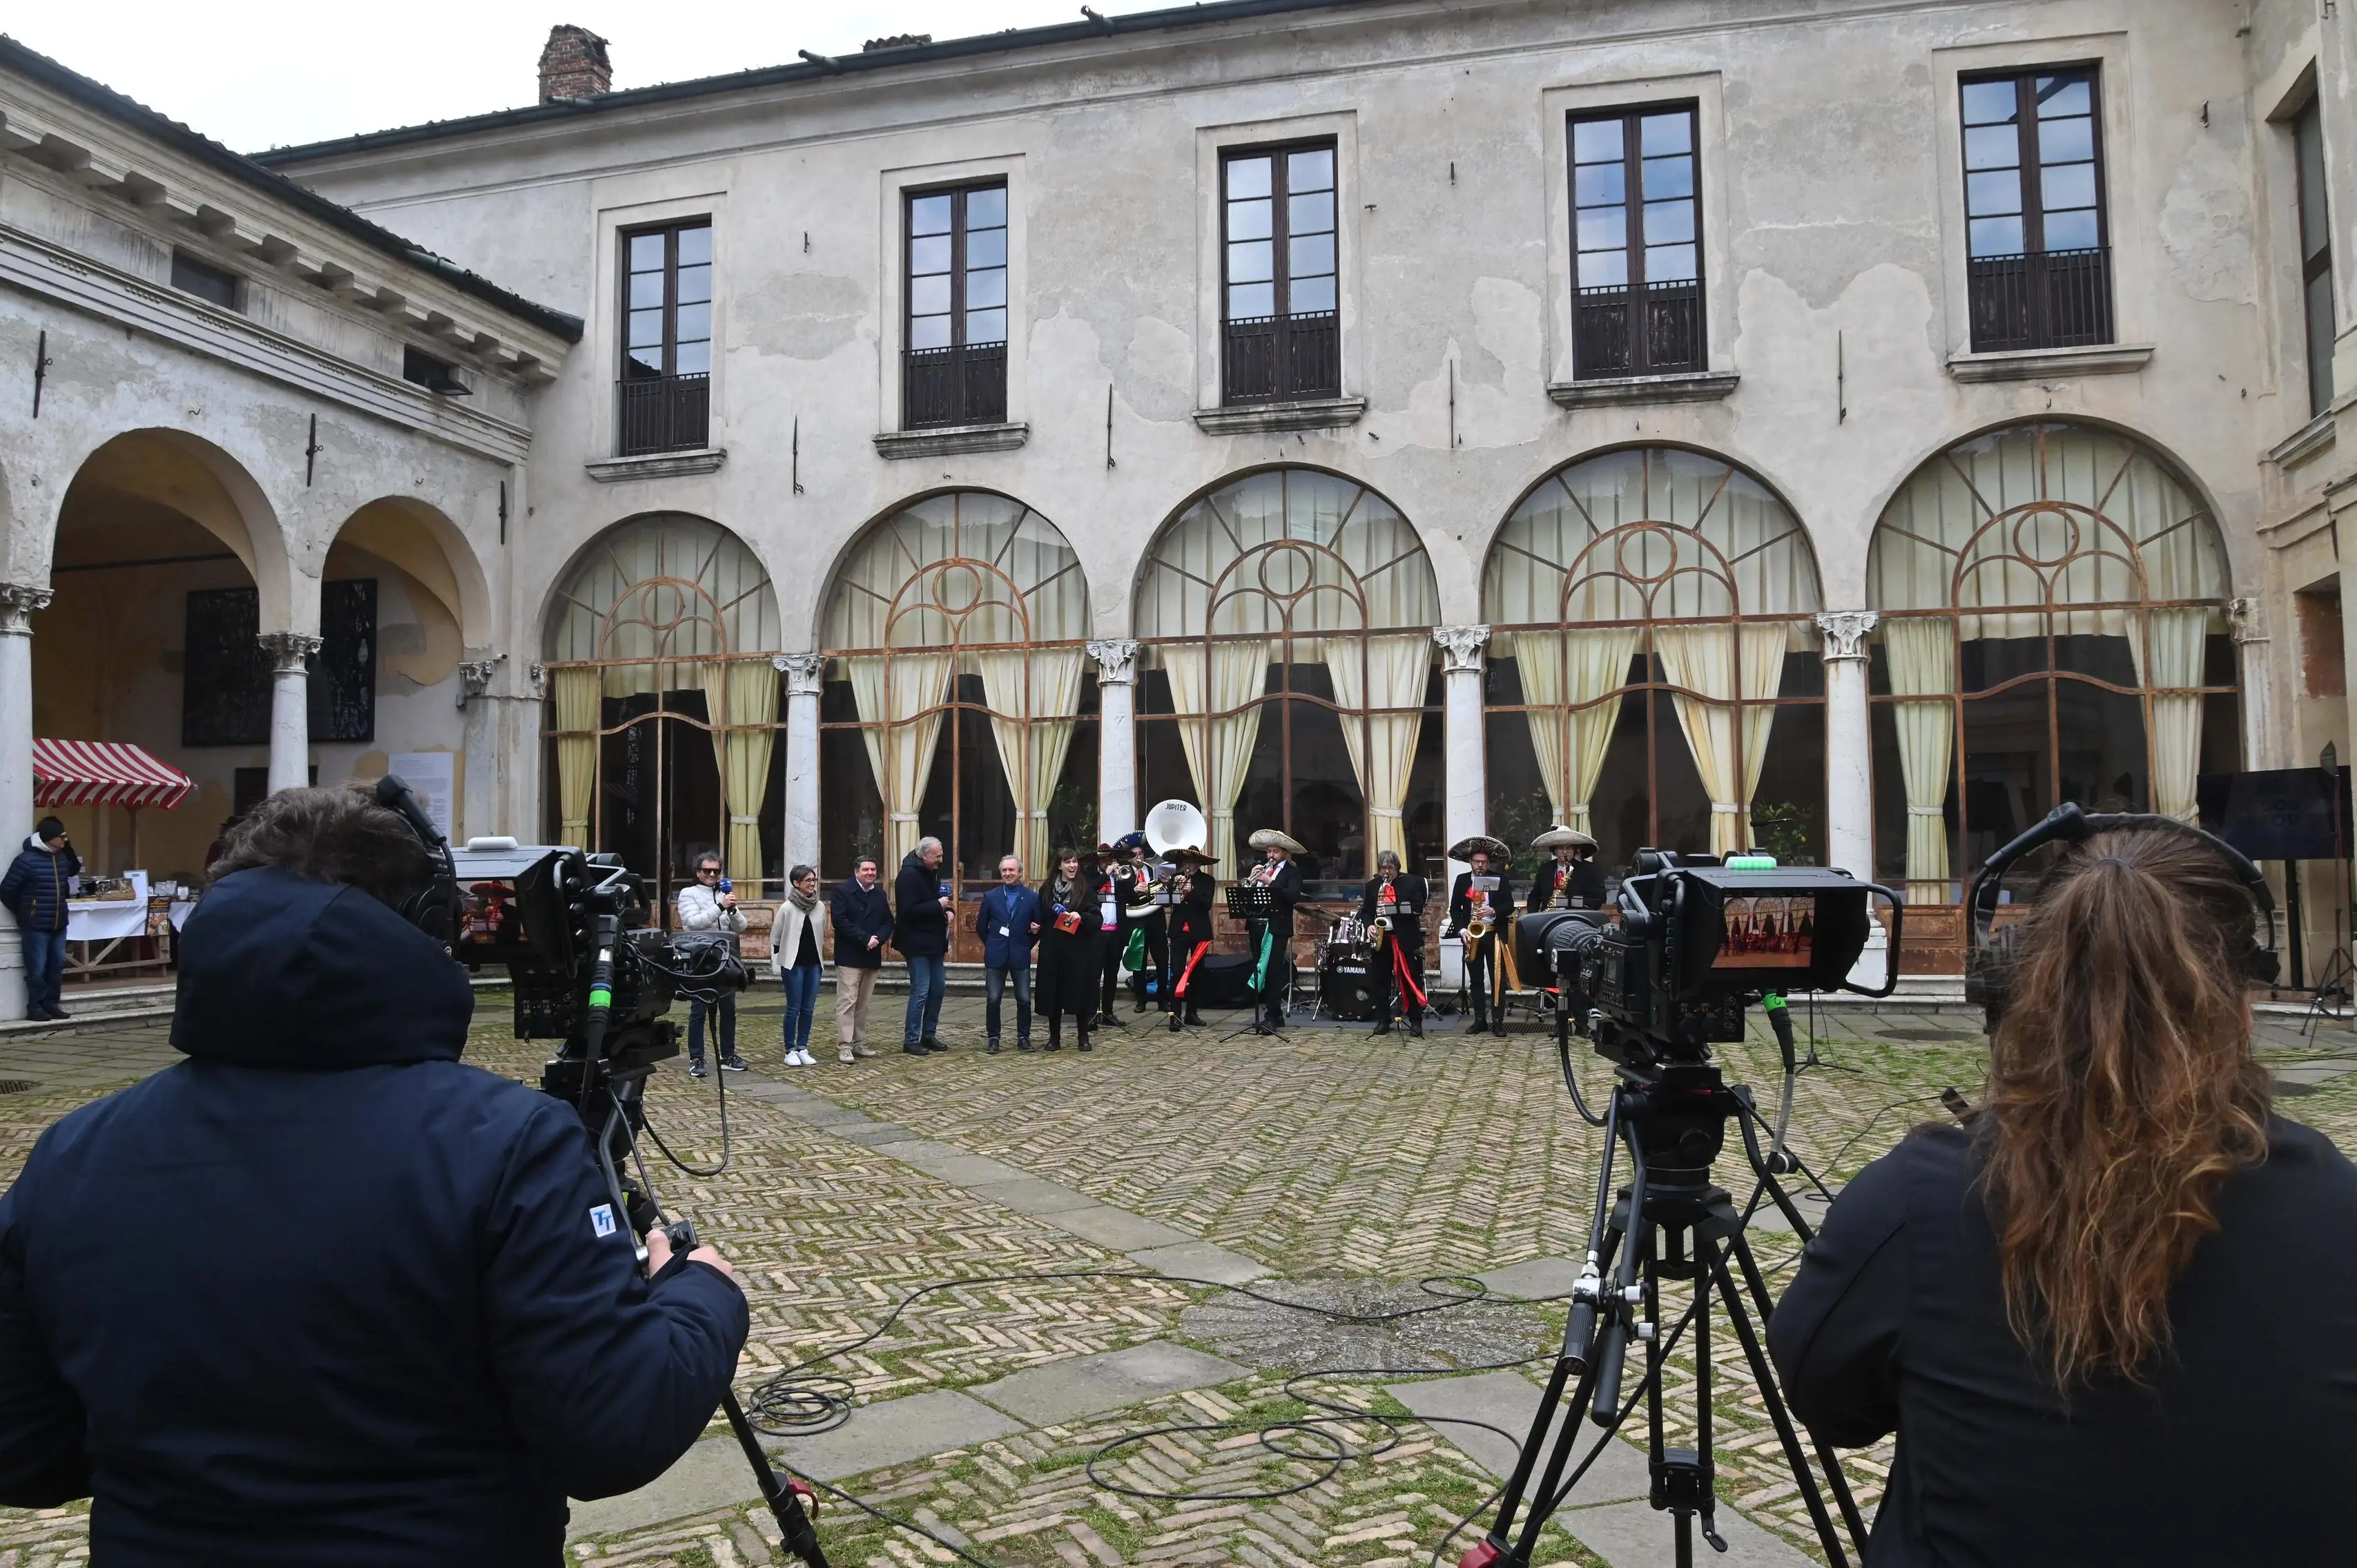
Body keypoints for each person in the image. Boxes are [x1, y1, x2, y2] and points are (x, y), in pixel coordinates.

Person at [0, 784, 748, 1562]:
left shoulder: (72, 1153)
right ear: (424, 930)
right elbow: (611, 1433)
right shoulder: (508, 1147)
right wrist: (704, 1296)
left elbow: (21, 1446)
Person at [1769, 826, 2357, 1565]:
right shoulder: (2340, 1201)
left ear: (2012, 994)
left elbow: (1831, 1406)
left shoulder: (1918, 1202)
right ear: (2243, 1003)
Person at [676, 851, 747, 1077]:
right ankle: (696, 1059)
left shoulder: (725, 894)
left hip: (726, 959)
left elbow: (741, 927)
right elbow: (693, 923)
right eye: (707, 871)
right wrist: (720, 906)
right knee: (699, 1010)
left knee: (729, 1011)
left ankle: (728, 1055)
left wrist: (732, 909)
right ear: (698, 872)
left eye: (716, 871)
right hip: (701, 960)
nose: (713, 875)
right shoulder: (689, 894)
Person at [1, 817, 79, 1023]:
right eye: (62, 836)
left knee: (56, 966)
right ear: (49, 838)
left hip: (59, 922)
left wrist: (68, 847)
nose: (65, 839)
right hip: (35, 925)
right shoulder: (26, 860)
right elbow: (7, 890)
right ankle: (35, 1007)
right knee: (37, 967)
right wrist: (26, 911)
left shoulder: (61, 858)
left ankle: (51, 1004)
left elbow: (74, 869)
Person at [1358, 849, 1430, 1038]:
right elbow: (1366, 911)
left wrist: (1398, 908)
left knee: (1409, 980)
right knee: (1379, 980)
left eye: (1389, 868)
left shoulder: (1411, 882)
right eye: (1383, 868)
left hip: (1403, 939)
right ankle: (1383, 1020)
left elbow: (1418, 907)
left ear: (1397, 867)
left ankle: (1416, 1021)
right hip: (1382, 939)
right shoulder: (1373, 886)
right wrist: (1369, 926)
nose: (1386, 872)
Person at [975, 855, 1042, 1054]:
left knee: (1024, 999)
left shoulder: (1032, 898)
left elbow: (1039, 927)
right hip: (996, 956)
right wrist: (994, 943)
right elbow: (980, 927)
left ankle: (1024, 1038)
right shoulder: (991, 896)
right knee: (994, 999)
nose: (1007, 874)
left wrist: (1025, 944)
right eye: (1004, 870)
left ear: (1019, 872)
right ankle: (993, 1039)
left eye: (1011, 870)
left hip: (1020, 955)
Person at [893, 837, 953, 1056]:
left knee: (938, 988)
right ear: (924, 855)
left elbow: (938, 899)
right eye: (937, 856)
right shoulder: (908, 876)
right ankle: (911, 1039)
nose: (941, 860)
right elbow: (908, 911)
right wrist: (937, 906)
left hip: (935, 942)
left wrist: (947, 911)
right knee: (921, 990)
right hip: (916, 943)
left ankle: (928, 1034)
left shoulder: (931, 872)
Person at [1034, 847, 1098, 1053]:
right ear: (1059, 865)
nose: (1072, 866)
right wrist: (1035, 926)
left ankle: (1083, 1037)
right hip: (1053, 949)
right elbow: (1041, 915)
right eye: (1068, 862)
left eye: (1075, 862)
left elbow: (1097, 918)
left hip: (1077, 949)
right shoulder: (1047, 889)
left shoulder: (1085, 889)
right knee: (1054, 993)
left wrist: (1083, 918)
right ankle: (1054, 1038)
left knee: (1079, 992)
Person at [830, 855, 892, 1061]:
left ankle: (858, 1042)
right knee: (847, 1001)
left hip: (871, 956)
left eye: (873, 870)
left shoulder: (880, 895)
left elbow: (888, 921)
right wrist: (865, 938)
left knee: (863, 1003)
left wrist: (879, 939)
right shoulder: (842, 892)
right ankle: (845, 1045)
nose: (870, 873)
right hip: (850, 955)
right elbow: (840, 921)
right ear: (856, 872)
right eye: (866, 870)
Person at [1446, 837, 1510, 1036]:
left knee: (1497, 980)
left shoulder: (1500, 879)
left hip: (1494, 935)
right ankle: (1480, 1019)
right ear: (1470, 861)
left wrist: (1494, 910)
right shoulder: (1463, 880)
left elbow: (1509, 906)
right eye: (1476, 861)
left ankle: (1498, 1021)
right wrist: (1462, 930)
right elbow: (1455, 909)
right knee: (1475, 981)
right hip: (1471, 936)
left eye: (1483, 862)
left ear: (1488, 863)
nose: (1480, 865)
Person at [1244, 829, 1303, 1036]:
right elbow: (1249, 900)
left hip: (1277, 927)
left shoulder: (1292, 873)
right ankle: (1275, 1014)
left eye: (1275, 852)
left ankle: (1271, 1015)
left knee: (1273, 971)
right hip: (1257, 925)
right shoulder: (1262, 870)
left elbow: (1292, 896)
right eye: (1269, 851)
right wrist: (1253, 880)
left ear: (1284, 853)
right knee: (1259, 969)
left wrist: (1271, 882)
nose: (1271, 856)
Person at [770, 864, 826, 1067]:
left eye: (814, 880)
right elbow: (776, 935)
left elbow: (823, 933)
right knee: (793, 1007)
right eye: (807, 880)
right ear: (796, 883)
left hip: (814, 964)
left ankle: (803, 1046)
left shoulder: (820, 906)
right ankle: (790, 1049)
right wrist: (779, 958)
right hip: (794, 964)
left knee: (808, 1008)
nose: (812, 884)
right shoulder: (787, 907)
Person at [1112, 833, 1170, 1016]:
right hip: (1137, 922)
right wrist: (1134, 889)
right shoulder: (1123, 874)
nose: (1139, 857)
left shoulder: (1153, 871)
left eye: (1141, 854)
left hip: (1156, 923)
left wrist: (1165, 885)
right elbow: (1119, 898)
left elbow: (1165, 898)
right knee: (1139, 963)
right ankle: (1141, 1000)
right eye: (1135, 854)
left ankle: (1162, 1000)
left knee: (1162, 962)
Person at [1163, 847, 1216, 1032]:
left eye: (1192, 862)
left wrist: (1191, 890)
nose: (1189, 865)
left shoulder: (1208, 880)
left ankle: (1191, 1013)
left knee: (1196, 975)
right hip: (1179, 932)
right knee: (1177, 973)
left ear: (1199, 864)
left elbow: (1206, 903)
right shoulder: (1175, 878)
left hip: (1199, 933)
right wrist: (1173, 886)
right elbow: (1166, 902)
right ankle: (1174, 1016)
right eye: (1186, 862)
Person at [1526, 826, 1606, 913]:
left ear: (1574, 850)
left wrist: (1575, 904)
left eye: (1569, 848)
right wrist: (1532, 915)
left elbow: (1599, 898)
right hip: (1548, 917)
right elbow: (1535, 896)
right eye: (1561, 848)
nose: (1565, 852)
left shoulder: (1590, 870)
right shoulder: (1545, 869)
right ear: (1554, 850)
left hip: (1577, 917)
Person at [1090, 843, 1127, 1029]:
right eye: (1105, 859)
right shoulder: (1092, 876)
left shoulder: (1118, 879)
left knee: (1112, 975)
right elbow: (1089, 890)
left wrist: (1124, 880)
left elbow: (1131, 898)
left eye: (1111, 859)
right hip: (1097, 933)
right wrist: (1106, 874)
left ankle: (1108, 1012)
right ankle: (1092, 1013)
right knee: (1094, 974)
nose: (1109, 862)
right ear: (1099, 861)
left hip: (1115, 933)